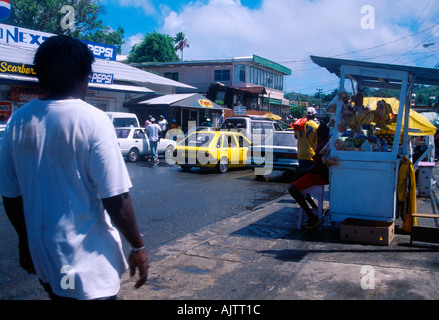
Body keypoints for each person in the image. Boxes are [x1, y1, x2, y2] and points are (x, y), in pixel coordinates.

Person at [0, 35, 148, 300]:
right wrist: (138, 245)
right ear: (85, 74)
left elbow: (10, 194)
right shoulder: (93, 120)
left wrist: (25, 238)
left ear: (40, 75)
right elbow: (115, 197)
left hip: (44, 252)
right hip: (83, 261)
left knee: (60, 294)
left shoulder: (17, 121)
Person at [288, 123, 330, 231]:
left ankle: (311, 215)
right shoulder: (327, 144)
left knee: (292, 188)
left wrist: (303, 171)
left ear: (318, 134)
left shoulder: (321, 146)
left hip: (319, 176)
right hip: (322, 174)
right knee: (298, 179)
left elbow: (316, 169)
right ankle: (313, 207)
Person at [295, 107, 319, 171]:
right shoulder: (316, 126)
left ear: (306, 115)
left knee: (301, 175)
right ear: (314, 115)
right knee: (308, 175)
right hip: (311, 154)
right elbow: (317, 140)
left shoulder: (299, 124)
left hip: (301, 154)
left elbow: (295, 136)